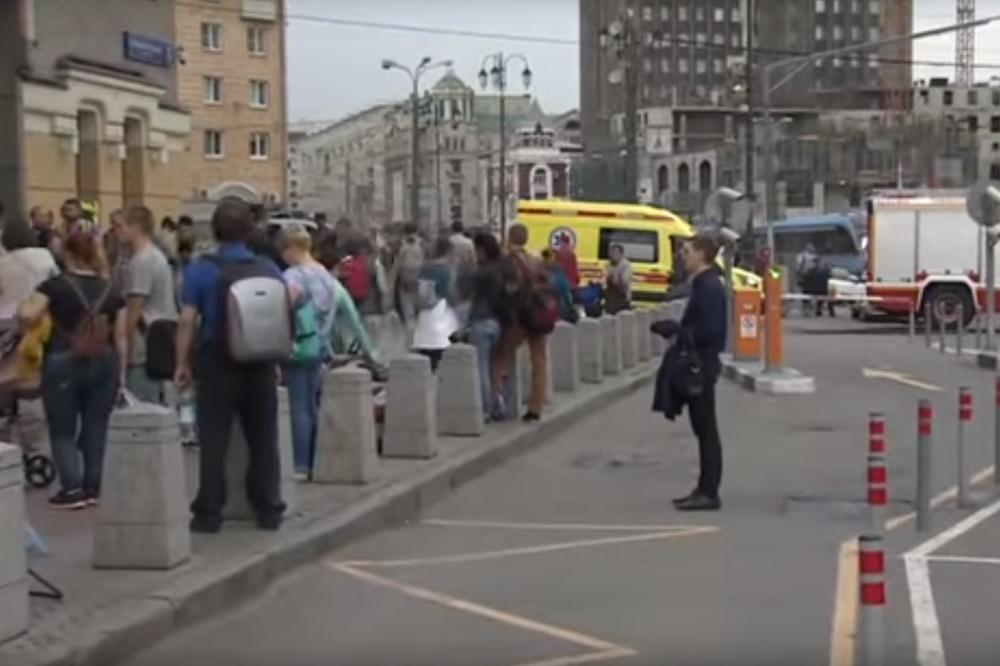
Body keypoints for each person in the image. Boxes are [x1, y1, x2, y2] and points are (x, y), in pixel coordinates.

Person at [174, 200, 286, 533]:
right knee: (264, 439)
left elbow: (187, 319)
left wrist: (181, 362)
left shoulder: (202, 270)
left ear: (214, 231)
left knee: (214, 440)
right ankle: (269, 507)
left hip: (218, 363)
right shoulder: (267, 267)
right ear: (249, 231)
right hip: (261, 361)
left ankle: (209, 512)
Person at [18, 232, 126, 509]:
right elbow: (121, 337)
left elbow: (28, 315)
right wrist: (122, 374)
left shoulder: (54, 286)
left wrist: (23, 306)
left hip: (62, 359)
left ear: (67, 254)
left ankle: (72, 488)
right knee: (96, 426)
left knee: (62, 428)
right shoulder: (111, 289)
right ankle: (93, 487)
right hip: (105, 360)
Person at [651, 234, 727, 511]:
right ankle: (704, 488)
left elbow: (711, 330)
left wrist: (678, 330)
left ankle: (709, 492)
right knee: (702, 428)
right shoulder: (703, 284)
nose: (683, 257)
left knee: (706, 429)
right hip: (700, 363)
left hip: (701, 366)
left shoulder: (709, 286)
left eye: (687, 252)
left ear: (702, 254)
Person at [280, 225, 339, 478]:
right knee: (312, 404)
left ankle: (300, 464)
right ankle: (316, 459)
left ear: (291, 249)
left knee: (298, 407)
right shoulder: (324, 273)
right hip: (319, 345)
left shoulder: (294, 276)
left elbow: (284, 304)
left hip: (298, 345)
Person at [120, 206, 178, 404]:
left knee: (142, 406)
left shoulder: (142, 261)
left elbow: (133, 312)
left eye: (121, 226)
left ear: (135, 227)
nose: (117, 231)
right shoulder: (155, 256)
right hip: (160, 342)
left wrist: (123, 350)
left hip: (144, 348)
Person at [492, 224, 550, 423]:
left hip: (519, 316)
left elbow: (506, 289)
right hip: (539, 314)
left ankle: (497, 401)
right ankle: (536, 407)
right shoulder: (537, 261)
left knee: (499, 357)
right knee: (539, 361)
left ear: (509, 237)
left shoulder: (508, 260)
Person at [467, 232, 509, 418]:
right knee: (495, 366)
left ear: (482, 250)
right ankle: (499, 402)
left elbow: (463, 288)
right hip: (498, 322)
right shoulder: (503, 268)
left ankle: (486, 408)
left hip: (482, 320)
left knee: (481, 367)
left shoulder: (483, 272)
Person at [412, 237, 458, 371]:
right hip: (441, 313)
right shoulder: (447, 271)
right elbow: (451, 294)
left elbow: (417, 289)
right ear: (449, 252)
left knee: (425, 352)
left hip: (424, 315)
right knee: (441, 353)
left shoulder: (424, 268)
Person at [0, 220, 59, 322]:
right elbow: (56, 281)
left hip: (5, 317)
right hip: (36, 315)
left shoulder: (3, 262)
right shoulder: (45, 255)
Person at [394, 223, 425, 328]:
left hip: (405, 278)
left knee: (407, 306)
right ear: (417, 231)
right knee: (420, 305)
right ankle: (420, 327)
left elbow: (397, 263)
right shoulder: (422, 243)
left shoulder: (400, 245)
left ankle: (410, 328)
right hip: (420, 276)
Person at [541, 248, 576, 322]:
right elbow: (566, 293)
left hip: (544, 310)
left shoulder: (538, 270)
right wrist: (571, 307)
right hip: (559, 309)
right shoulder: (559, 272)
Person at [605, 243, 632, 314]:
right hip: (610, 297)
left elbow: (624, 281)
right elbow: (605, 278)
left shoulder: (625, 265)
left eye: (615, 252)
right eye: (611, 252)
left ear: (621, 254)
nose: (612, 255)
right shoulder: (609, 264)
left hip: (621, 297)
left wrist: (613, 277)